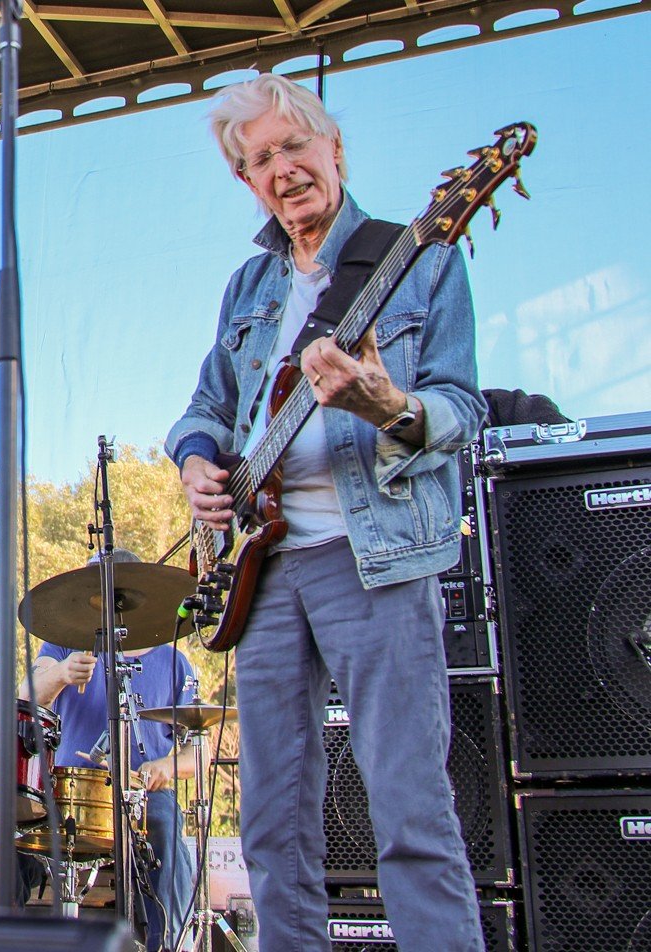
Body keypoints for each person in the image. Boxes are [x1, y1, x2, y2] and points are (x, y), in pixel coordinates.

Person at [167, 74, 485, 949]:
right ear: (246, 180)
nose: (284, 169)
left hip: (374, 554)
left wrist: (389, 405)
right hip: (263, 570)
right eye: (261, 158)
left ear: (333, 146)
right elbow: (205, 407)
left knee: (410, 808)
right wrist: (196, 461)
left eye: (295, 145)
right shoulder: (249, 285)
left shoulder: (419, 259)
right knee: (271, 822)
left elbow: (462, 407)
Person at [28, 553, 203, 952]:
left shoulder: (175, 662)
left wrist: (164, 767)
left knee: (165, 827)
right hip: (69, 790)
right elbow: (25, 696)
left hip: (144, 797)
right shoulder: (64, 644)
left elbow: (198, 752)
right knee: (12, 827)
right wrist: (60, 673)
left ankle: (169, 944)